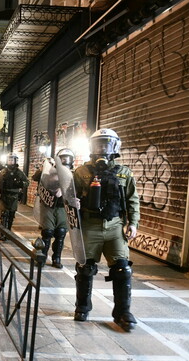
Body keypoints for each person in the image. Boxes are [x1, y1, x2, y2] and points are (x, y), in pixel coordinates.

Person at [73, 128, 140, 332]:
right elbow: (70, 196)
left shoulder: (124, 172)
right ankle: (82, 307)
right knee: (85, 269)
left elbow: (132, 199)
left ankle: (122, 312)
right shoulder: (81, 172)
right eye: (99, 144)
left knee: (122, 270)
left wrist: (133, 223)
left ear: (114, 147)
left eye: (106, 144)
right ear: (92, 147)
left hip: (115, 227)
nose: (102, 148)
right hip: (89, 225)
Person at [32, 148, 74, 268]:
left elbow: (78, 191)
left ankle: (56, 258)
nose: (65, 161)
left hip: (62, 207)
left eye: (68, 158)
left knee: (61, 233)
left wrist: (65, 189)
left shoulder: (74, 175)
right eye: (63, 158)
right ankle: (42, 257)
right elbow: (38, 178)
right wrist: (44, 167)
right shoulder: (49, 172)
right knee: (47, 232)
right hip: (48, 206)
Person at [0, 153, 28, 239]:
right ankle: (3, 233)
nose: (10, 161)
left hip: (14, 196)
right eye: (9, 160)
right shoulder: (3, 171)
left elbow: (27, 182)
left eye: (12, 160)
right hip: (4, 195)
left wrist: (20, 183)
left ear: (15, 161)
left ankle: (8, 232)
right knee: (4, 215)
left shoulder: (19, 172)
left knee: (11, 215)